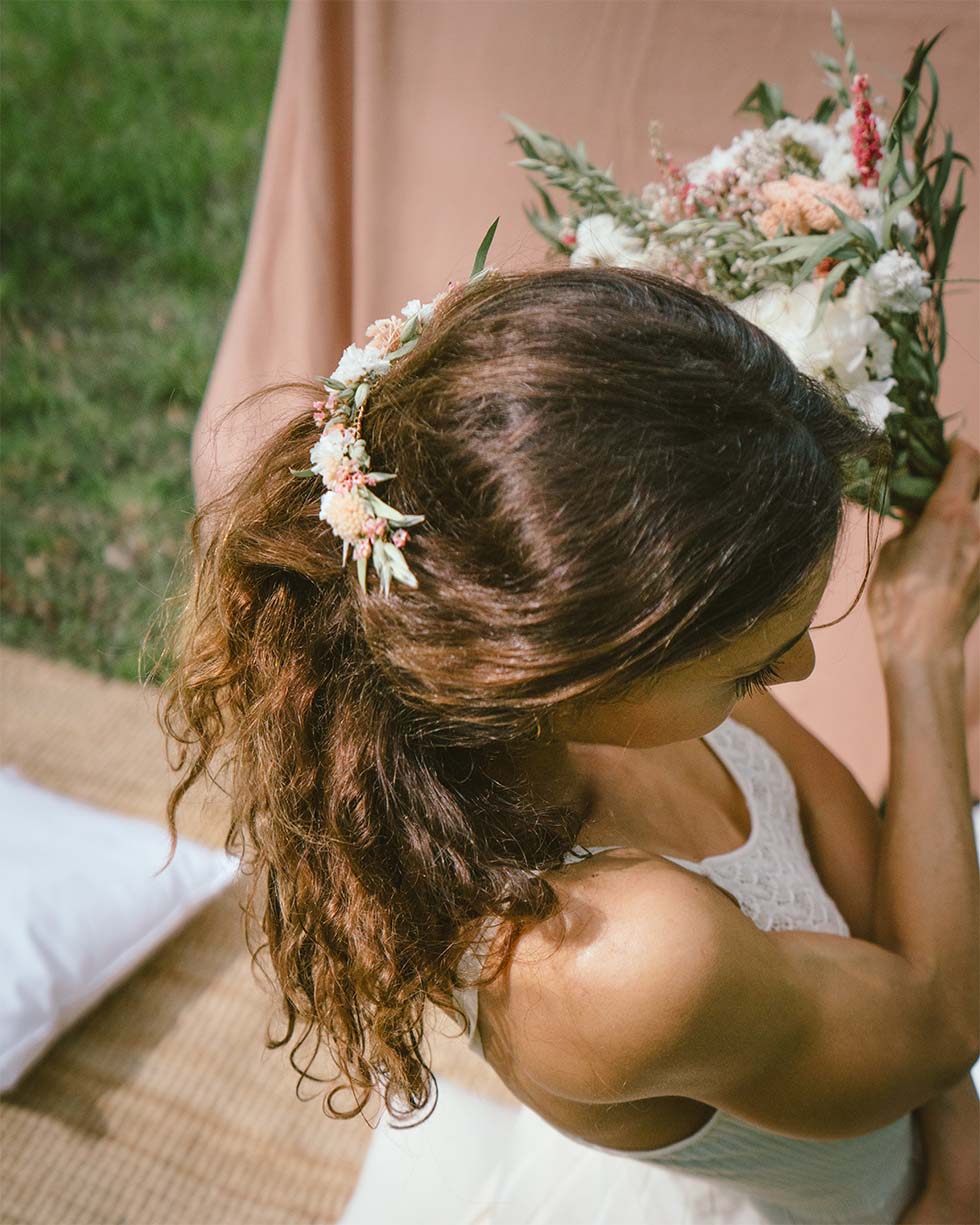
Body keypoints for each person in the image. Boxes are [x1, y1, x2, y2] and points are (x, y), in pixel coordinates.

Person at [163, 265, 979, 1224]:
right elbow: (938, 1022)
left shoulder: (609, 678)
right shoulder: (614, 953)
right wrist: (921, 659)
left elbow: (869, 900)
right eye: (753, 667)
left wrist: (950, 1111)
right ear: (575, 671)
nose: (797, 670)